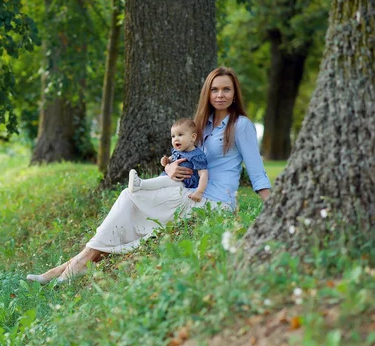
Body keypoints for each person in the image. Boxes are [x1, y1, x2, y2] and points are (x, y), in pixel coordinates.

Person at [26, 66, 271, 284]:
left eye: (226, 89)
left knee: (130, 196)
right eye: (215, 89)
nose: (220, 95)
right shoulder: (200, 125)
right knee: (129, 200)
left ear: (234, 93)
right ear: (207, 93)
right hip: (189, 194)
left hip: (214, 203)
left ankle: (72, 266)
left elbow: (257, 171)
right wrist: (168, 168)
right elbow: (181, 156)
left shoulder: (241, 126)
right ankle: (72, 265)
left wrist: (273, 207)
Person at [128, 118, 208, 202]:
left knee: (164, 181)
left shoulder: (197, 156)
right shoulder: (177, 151)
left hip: (184, 182)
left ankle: (140, 184)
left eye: (180, 135)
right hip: (172, 176)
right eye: (173, 136)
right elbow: (172, 158)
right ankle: (141, 190)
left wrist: (199, 192)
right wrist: (166, 160)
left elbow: (204, 175)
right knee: (159, 182)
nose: (176, 139)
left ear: (193, 137)